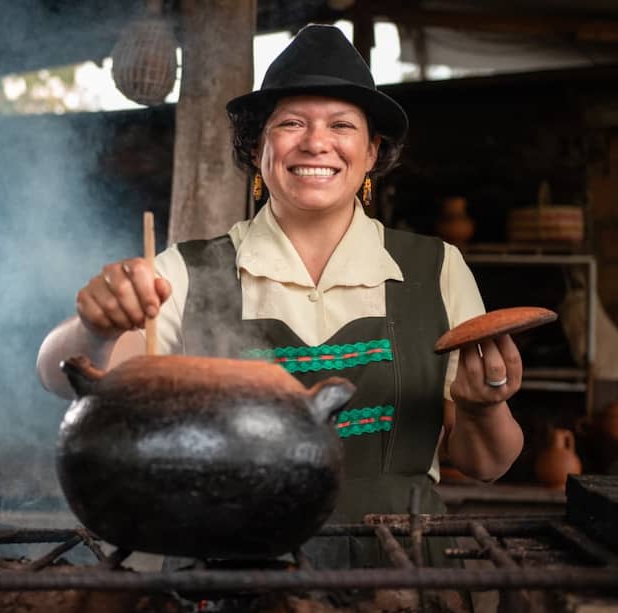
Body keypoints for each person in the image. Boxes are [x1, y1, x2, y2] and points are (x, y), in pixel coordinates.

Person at [37, 24, 524, 569]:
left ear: (370, 152)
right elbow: (64, 378)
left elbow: (486, 464)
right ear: (257, 147)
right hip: (233, 567)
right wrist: (95, 328)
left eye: (341, 125)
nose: (316, 142)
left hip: (400, 566)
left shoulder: (436, 269)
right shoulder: (191, 270)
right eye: (291, 124)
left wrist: (486, 407)